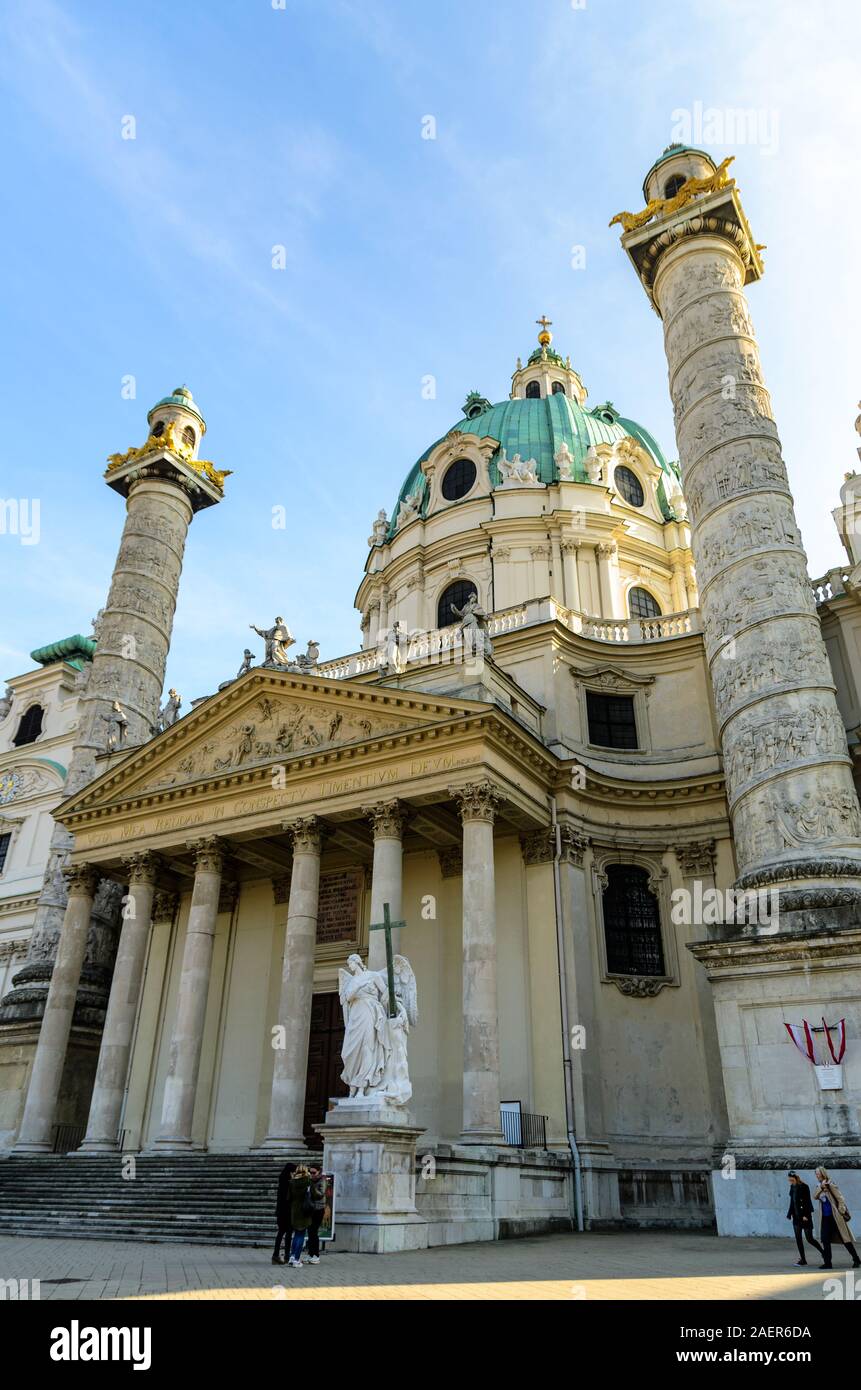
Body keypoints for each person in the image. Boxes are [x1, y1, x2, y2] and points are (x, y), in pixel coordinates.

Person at [813, 1166, 861, 1270]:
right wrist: (821, 1187)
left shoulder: (830, 1184)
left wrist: (841, 1211)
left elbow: (840, 1198)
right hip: (825, 1218)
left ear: (822, 1173)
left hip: (835, 1217)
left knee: (845, 1239)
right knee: (825, 1240)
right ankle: (828, 1263)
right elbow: (815, 1196)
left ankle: (856, 1259)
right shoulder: (819, 1186)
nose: (817, 1175)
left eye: (818, 1173)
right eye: (816, 1173)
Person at [786, 1171, 823, 1266]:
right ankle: (803, 1260)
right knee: (798, 1238)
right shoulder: (792, 1187)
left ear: (796, 1178)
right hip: (796, 1217)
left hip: (805, 1216)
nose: (791, 1181)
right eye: (789, 1180)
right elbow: (792, 1202)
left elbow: (807, 1202)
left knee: (809, 1238)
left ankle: (824, 1253)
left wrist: (806, 1215)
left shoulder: (804, 1187)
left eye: (792, 1180)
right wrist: (789, 1213)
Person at [286, 1164, 313, 1268]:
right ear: (306, 1171)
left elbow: (288, 1197)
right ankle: (296, 1259)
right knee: (301, 1235)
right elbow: (315, 1195)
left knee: (296, 1235)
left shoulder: (291, 1182)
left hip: (294, 1211)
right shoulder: (308, 1182)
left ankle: (292, 1257)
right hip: (305, 1211)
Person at [271, 1161, 295, 1265]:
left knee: (280, 1233)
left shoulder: (282, 1181)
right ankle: (286, 1255)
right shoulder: (289, 1183)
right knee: (288, 1234)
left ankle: (276, 1255)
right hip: (288, 1212)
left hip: (281, 1212)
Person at [305, 1166, 327, 1265]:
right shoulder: (310, 1181)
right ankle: (310, 1254)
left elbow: (320, 1194)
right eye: (310, 1172)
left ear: (319, 1172)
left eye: (314, 1173)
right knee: (310, 1232)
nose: (312, 1174)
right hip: (310, 1208)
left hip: (318, 1208)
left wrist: (312, 1188)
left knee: (314, 1231)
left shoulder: (322, 1181)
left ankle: (316, 1255)